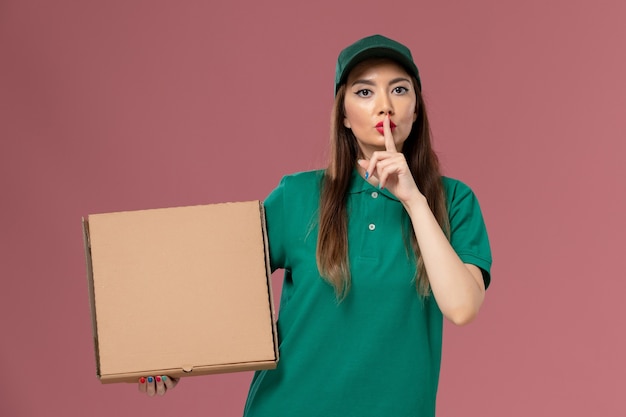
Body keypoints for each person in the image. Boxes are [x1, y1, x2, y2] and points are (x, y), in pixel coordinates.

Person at [138, 34, 492, 417]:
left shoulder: (452, 200)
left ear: (416, 109)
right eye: (364, 92)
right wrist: (171, 356)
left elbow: (462, 307)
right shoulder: (297, 196)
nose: (384, 106)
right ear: (343, 114)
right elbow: (220, 283)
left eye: (399, 90)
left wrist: (414, 200)